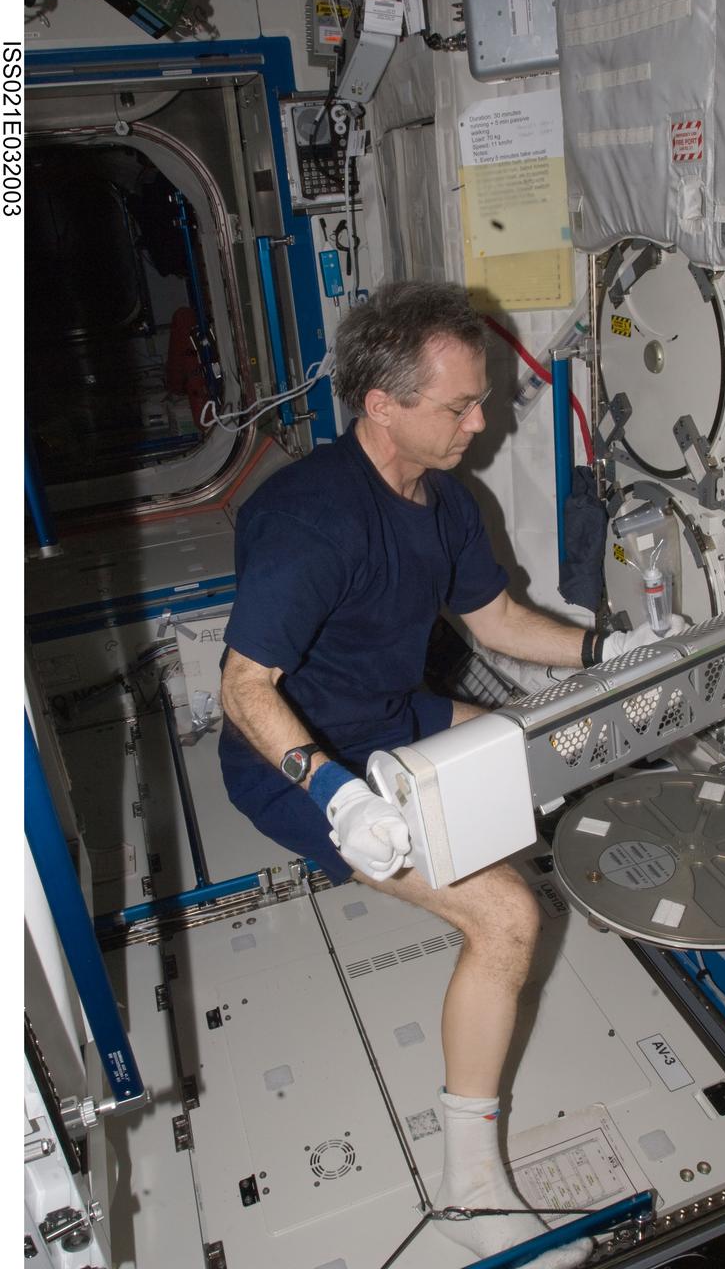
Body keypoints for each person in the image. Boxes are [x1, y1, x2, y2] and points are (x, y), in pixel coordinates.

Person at [219, 281, 681, 1265]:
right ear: (380, 404)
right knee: (511, 915)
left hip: (391, 715)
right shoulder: (309, 521)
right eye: (460, 406)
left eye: (480, 400)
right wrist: (334, 791)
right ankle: (471, 1189)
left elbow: (499, 622)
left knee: (529, 743)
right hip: (300, 760)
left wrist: (613, 650)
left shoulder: (444, 501)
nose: (482, 420)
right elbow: (242, 689)